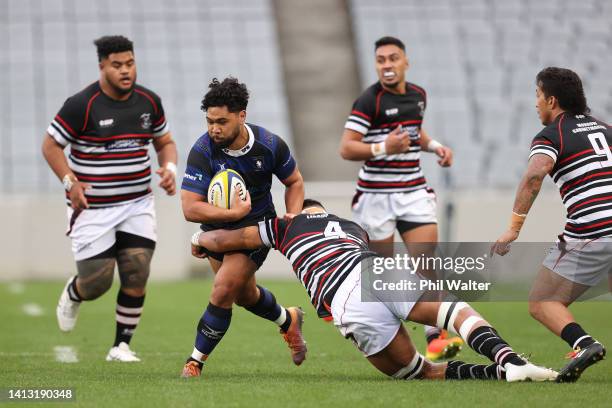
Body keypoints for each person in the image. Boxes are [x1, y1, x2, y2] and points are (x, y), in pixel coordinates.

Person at [190, 198, 558, 382]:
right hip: (375, 269)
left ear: (300, 210)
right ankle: (510, 361)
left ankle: (496, 374)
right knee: (454, 312)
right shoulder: (351, 225)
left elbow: (232, 238)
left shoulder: (286, 225)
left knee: (417, 372)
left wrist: (200, 237)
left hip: (344, 299)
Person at [42, 35, 178, 362]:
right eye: (117, 65)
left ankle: (121, 346)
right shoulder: (81, 105)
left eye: (130, 63)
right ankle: (75, 292)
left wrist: (169, 167)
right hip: (93, 208)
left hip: (137, 203)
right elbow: (50, 145)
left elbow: (165, 141)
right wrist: (69, 181)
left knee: (137, 269)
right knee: (97, 283)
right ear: (103, 66)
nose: (125, 71)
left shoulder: (149, 101)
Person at [339, 36, 459, 360]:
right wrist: (382, 147)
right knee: (383, 272)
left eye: (393, 58)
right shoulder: (369, 101)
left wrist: (436, 148)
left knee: (426, 260)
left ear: (406, 62)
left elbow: (414, 132)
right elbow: (347, 147)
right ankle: (394, 338)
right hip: (375, 197)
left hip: (412, 190)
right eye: (381, 60)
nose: (387, 65)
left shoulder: (419, 95)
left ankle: (436, 337)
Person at [180, 77, 306, 378]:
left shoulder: (269, 145)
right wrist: (230, 212)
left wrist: (293, 215)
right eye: (210, 121)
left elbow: (295, 181)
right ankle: (288, 319)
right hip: (217, 233)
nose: (214, 129)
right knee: (243, 295)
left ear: (242, 116)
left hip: (256, 230)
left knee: (223, 290)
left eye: (221, 121)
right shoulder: (203, 150)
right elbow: (189, 207)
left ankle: (195, 362)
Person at [492, 67, 608, 382]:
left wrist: (513, 228)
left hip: (593, 232)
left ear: (552, 100)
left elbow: (533, 175)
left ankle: (585, 345)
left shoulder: (552, 134)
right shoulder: (607, 129)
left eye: (537, 95)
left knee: (542, 301)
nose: (536, 103)